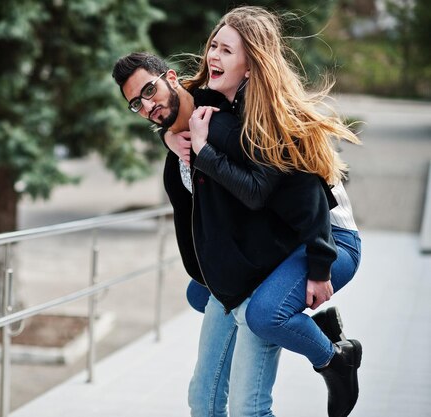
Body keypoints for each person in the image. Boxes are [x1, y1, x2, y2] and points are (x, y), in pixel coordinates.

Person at [112, 7, 361, 416]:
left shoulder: (263, 121)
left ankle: (333, 357)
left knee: (262, 321)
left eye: (227, 50)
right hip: (278, 243)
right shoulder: (208, 109)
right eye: (214, 45)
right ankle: (308, 328)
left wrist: (319, 268)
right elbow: (179, 113)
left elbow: (307, 200)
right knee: (202, 293)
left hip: (326, 237)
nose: (146, 106)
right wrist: (172, 139)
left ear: (251, 64)